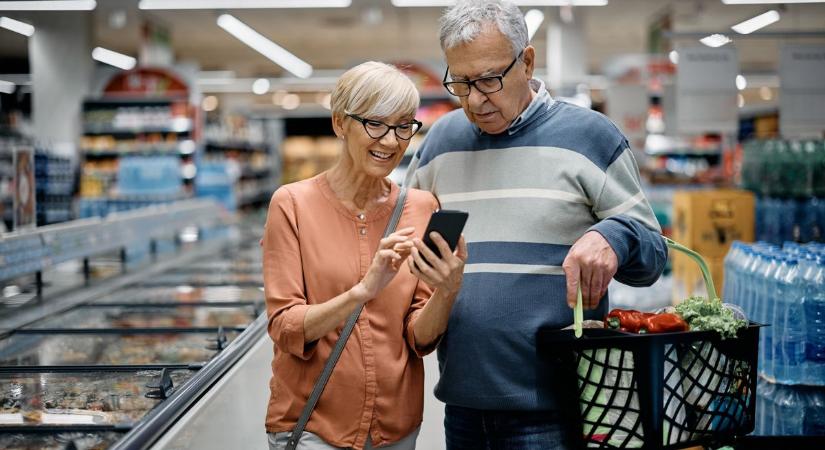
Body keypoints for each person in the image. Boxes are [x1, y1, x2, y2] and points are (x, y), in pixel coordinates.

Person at [404, 1, 668, 448]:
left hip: (557, 410)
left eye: (488, 79)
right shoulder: (440, 143)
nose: (474, 99)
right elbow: (413, 254)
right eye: (461, 83)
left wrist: (614, 236)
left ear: (526, 62)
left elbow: (653, 254)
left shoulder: (591, 136)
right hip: (463, 407)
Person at [262, 61, 467, 450]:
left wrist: (447, 291)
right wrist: (362, 291)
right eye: (375, 123)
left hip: (396, 427)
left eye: (403, 126)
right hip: (314, 426)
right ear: (340, 123)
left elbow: (417, 336)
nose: (391, 141)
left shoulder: (421, 207)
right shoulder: (291, 205)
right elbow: (285, 326)